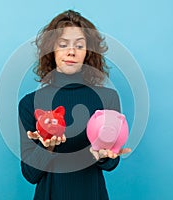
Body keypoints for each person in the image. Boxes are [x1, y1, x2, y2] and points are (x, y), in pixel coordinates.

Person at [18, 10, 131, 200]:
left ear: (88, 53)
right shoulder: (30, 103)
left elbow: (111, 164)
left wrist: (102, 152)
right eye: (63, 45)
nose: (71, 51)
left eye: (79, 45)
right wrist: (47, 147)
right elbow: (30, 174)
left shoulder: (107, 98)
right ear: (51, 50)